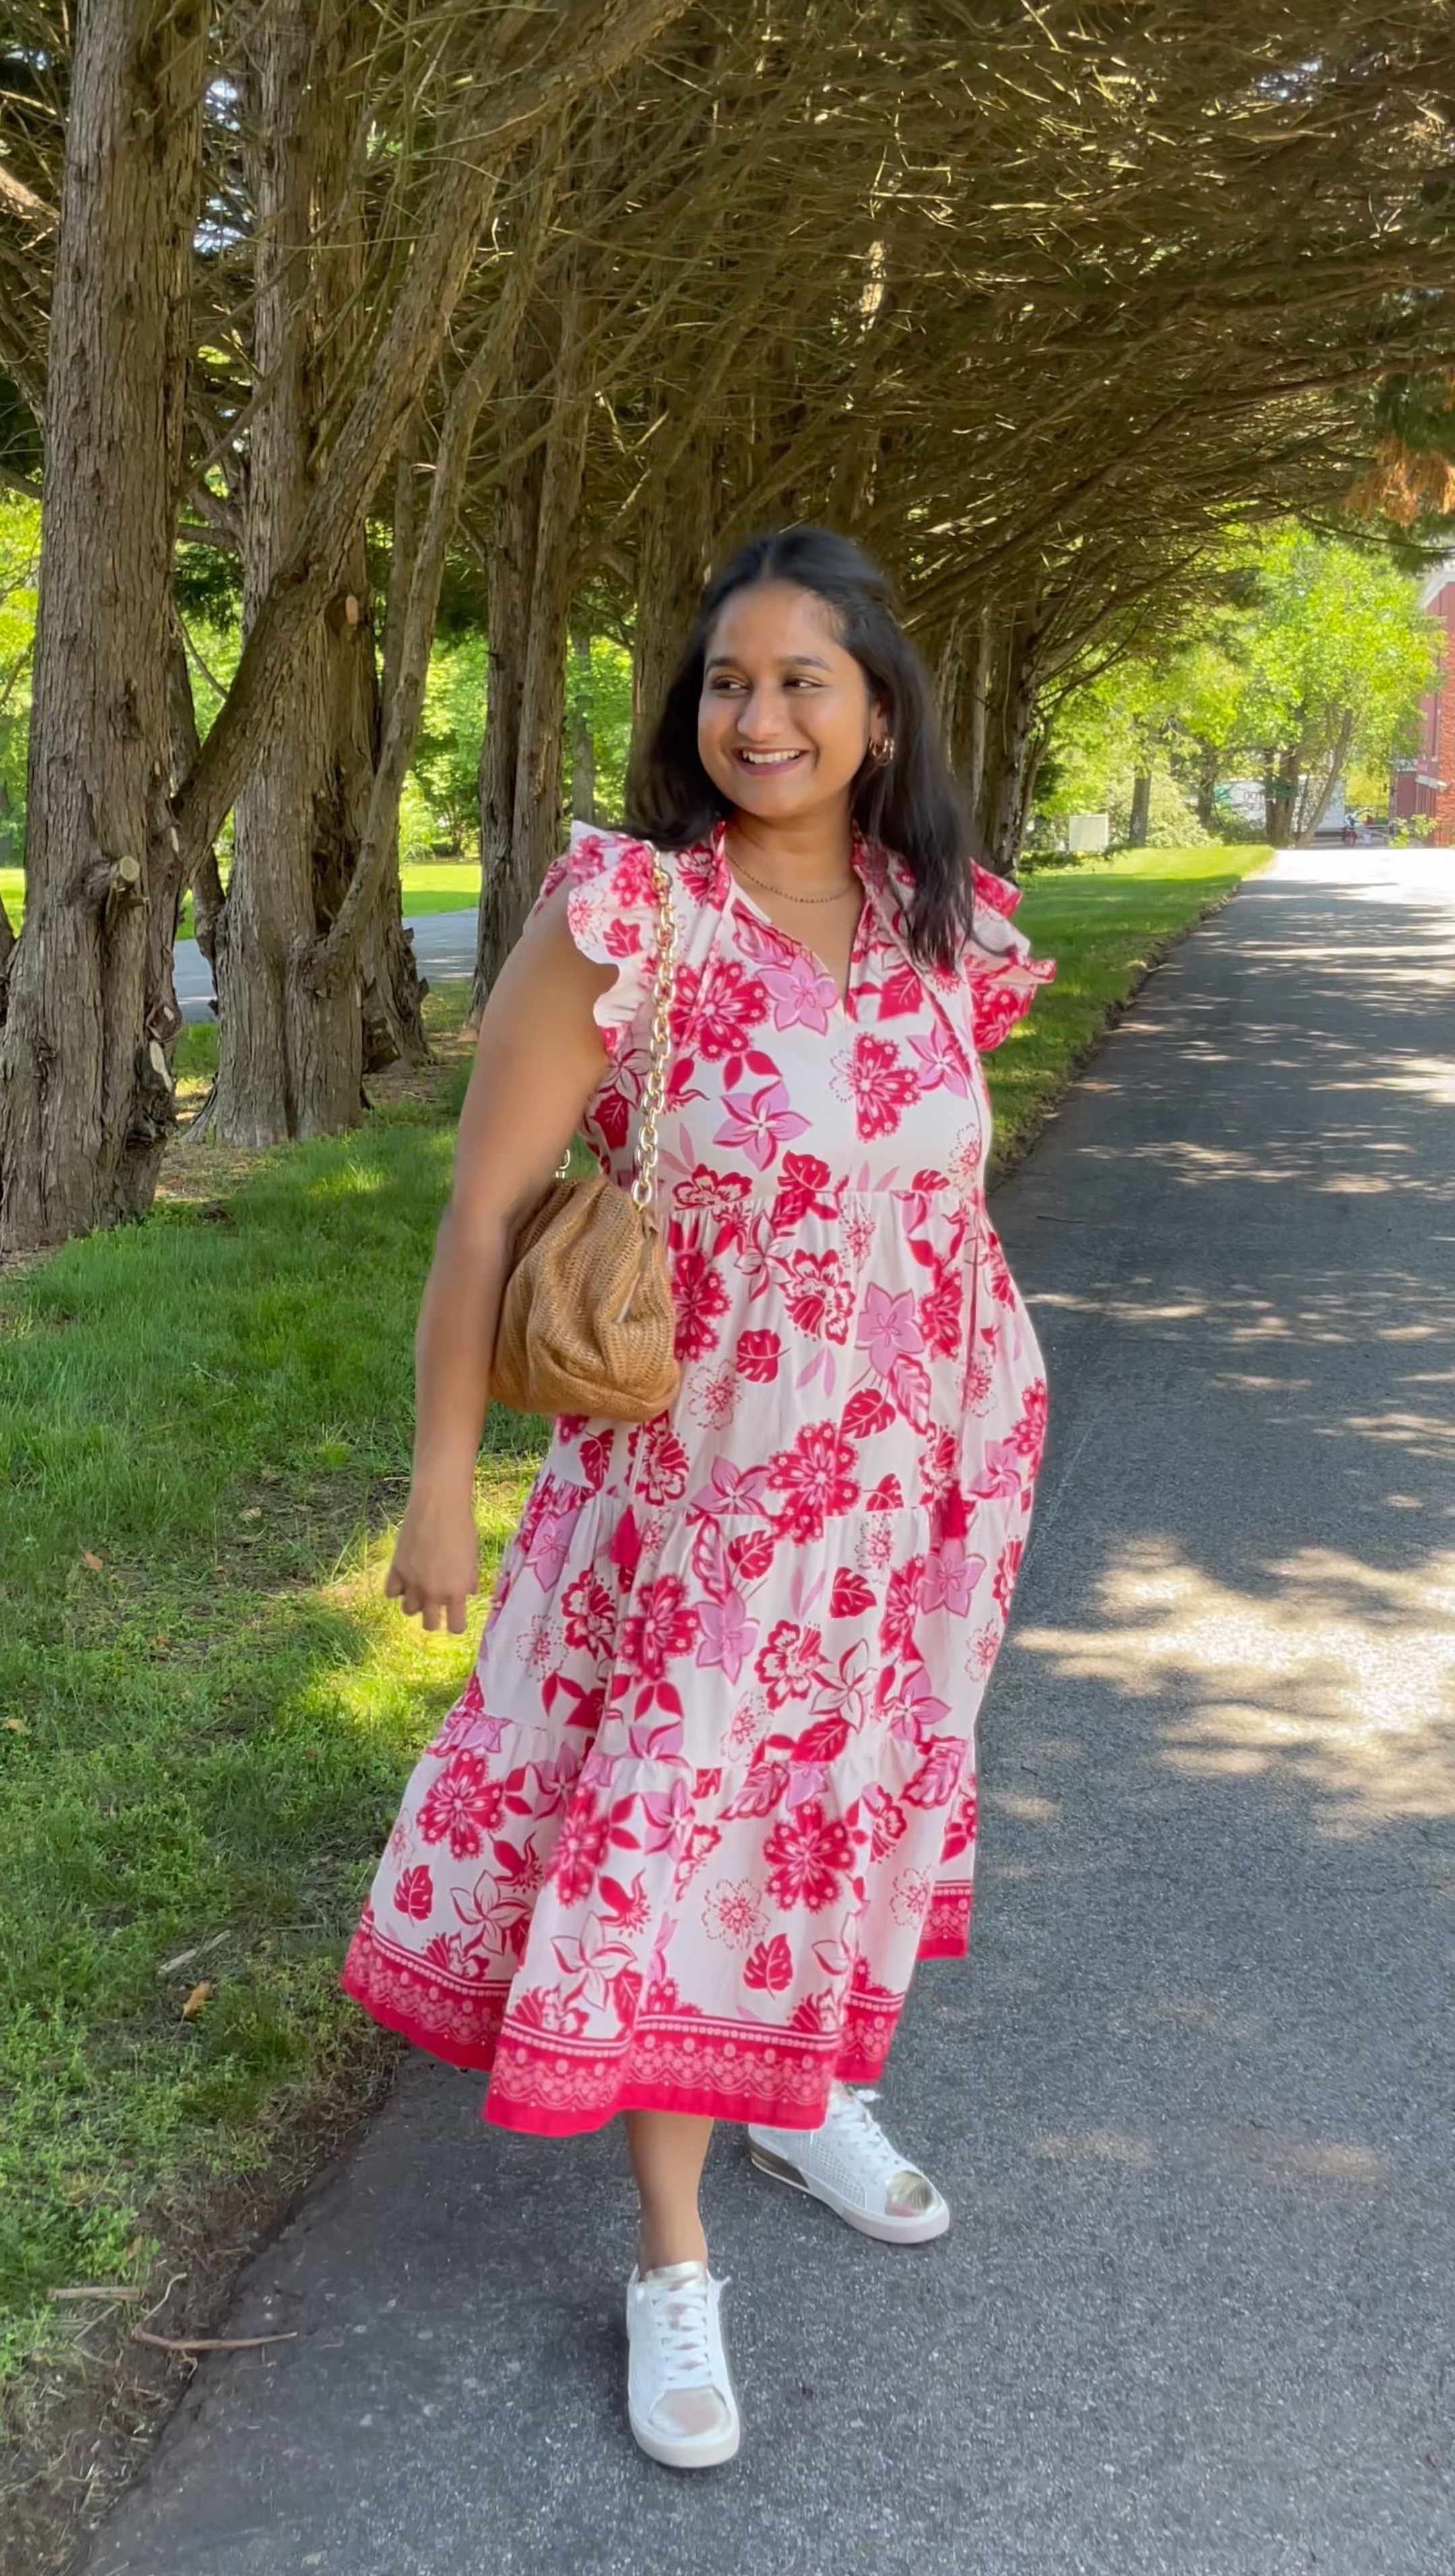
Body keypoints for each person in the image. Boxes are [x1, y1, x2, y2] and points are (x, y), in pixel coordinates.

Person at [342, 525, 1055, 2470]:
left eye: (803, 680)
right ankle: (673, 2261)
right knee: (681, 1838)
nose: (760, 715)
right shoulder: (634, 921)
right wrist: (439, 1484)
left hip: (916, 1495)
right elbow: (483, 1213)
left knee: (843, 1808)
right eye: (730, 682)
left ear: (879, 712)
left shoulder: (943, 924)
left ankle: (796, 2088)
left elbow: (927, 1199)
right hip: (705, 1500)